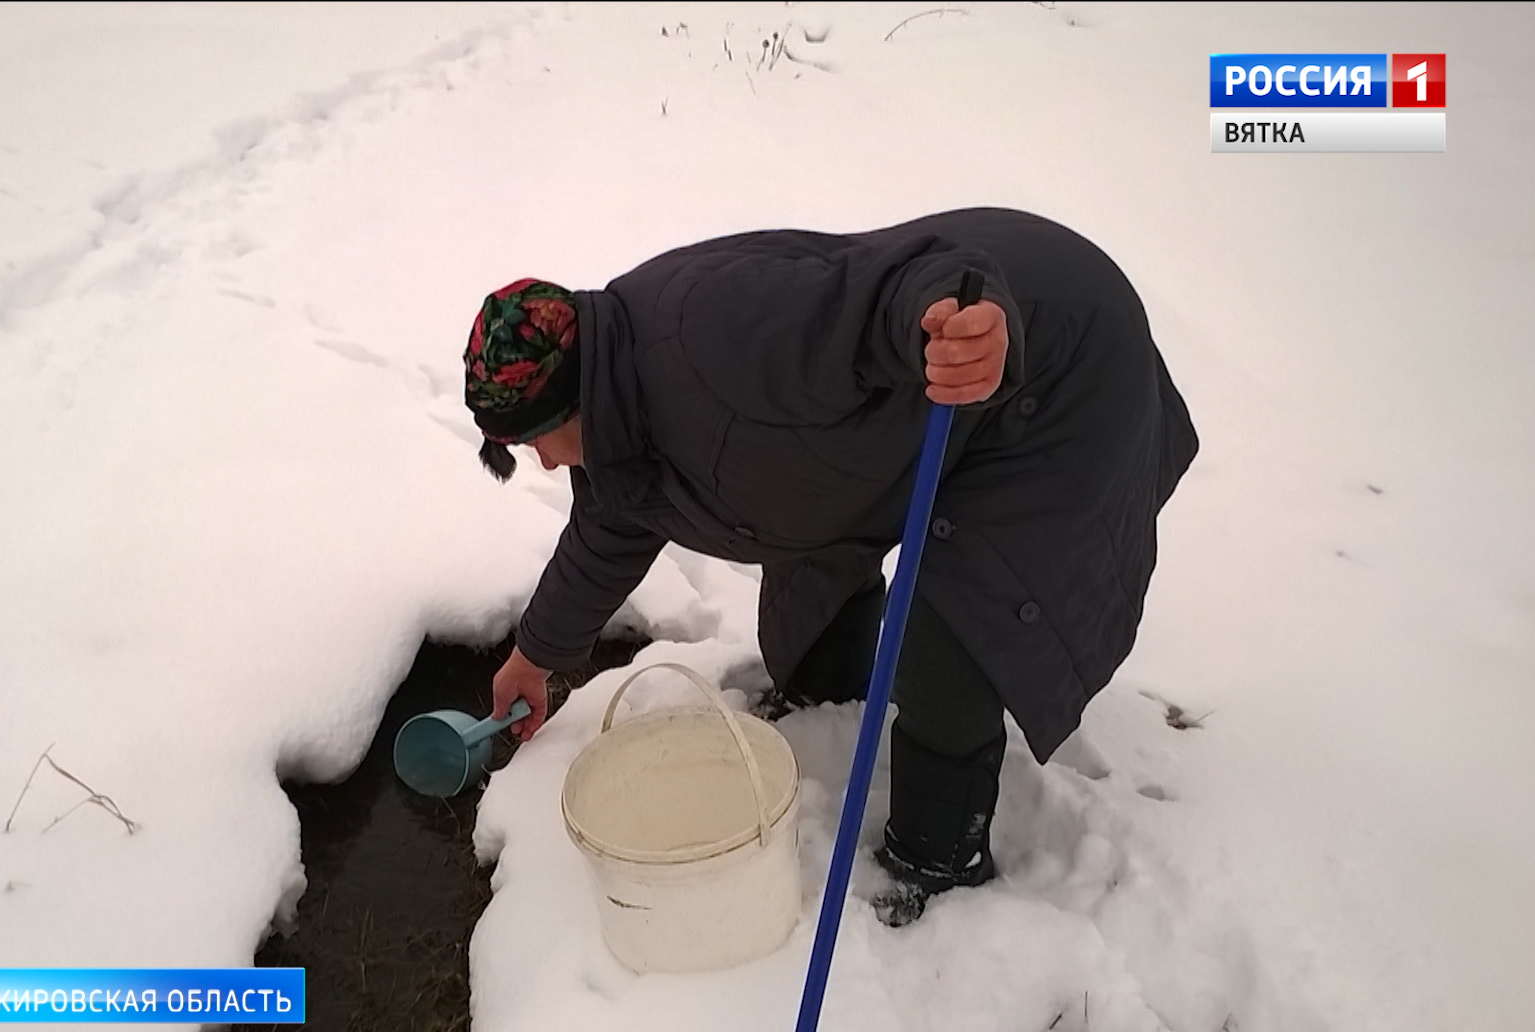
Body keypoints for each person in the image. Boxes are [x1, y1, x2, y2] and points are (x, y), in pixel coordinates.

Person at [464, 208, 1197, 926]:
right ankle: (826, 699)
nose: (547, 461)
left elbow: (892, 287)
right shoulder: (616, 399)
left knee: (956, 634)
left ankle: (938, 862)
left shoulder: (718, 331)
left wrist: (957, 321)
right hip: (879, 438)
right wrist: (539, 653)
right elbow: (610, 525)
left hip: (1041, 363)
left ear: (576, 397)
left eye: (540, 439)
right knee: (808, 579)